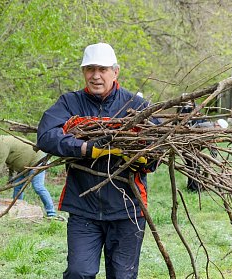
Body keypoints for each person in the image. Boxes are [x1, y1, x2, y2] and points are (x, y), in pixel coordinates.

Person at [36, 43, 153, 278]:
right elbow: (46, 135)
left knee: (123, 276)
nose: (96, 76)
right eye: (90, 69)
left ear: (115, 71)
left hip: (127, 210)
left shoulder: (136, 106)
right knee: (79, 273)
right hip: (83, 208)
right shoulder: (70, 103)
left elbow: (157, 148)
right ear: (83, 72)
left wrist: (141, 157)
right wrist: (84, 148)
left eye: (102, 69)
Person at [0, 129, 58, 218]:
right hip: (25, 166)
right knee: (17, 187)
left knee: (38, 186)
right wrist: (11, 176)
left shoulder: (2, 144)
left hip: (36, 161)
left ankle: (51, 213)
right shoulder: (0, 144)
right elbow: (11, 160)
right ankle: (18, 209)